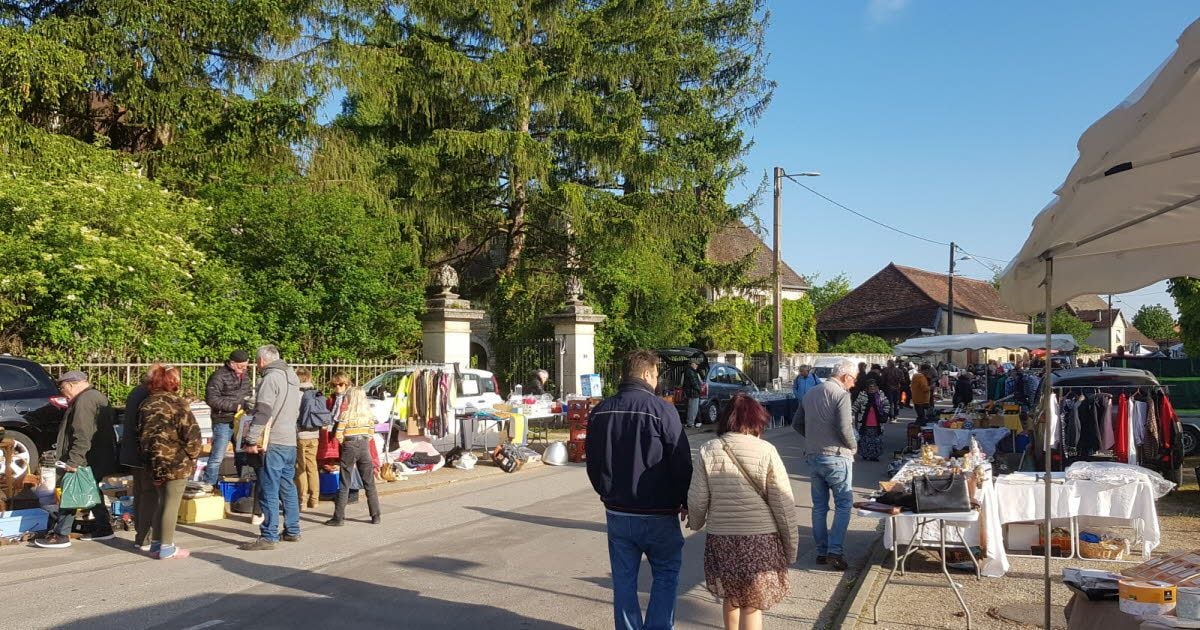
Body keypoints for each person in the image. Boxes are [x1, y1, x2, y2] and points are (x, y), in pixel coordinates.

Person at [586, 349, 692, 630]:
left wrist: (605, 492)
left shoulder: (601, 411)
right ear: (646, 374)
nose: (657, 382)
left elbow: (592, 462)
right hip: (658, 511)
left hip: (619, 511)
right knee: (666, 575)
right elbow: (681, 461)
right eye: (656, 375)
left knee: (623, 581)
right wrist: (684, 500)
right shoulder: (663, 411)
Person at [687, 394, 798, 630]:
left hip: (722, 538)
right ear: (757, 419)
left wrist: (695, 523)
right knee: (752, 605)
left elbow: (697, 498)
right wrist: (791, 546)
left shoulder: (708, 449)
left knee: (731, 597)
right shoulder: (766, 450)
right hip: (761, 538)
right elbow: (783, 503)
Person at [35, 371, 118, 549]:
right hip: (96, 455)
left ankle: (61, 535)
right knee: (90, 489)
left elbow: (82, 434)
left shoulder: (84, 400)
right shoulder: (96, 396)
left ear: (72, 384)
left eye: (63, 387)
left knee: (71, 490)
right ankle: (104, 529)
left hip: (86, 456)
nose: (63, 392)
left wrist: (74, 460)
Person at [793, 358, 857, 571]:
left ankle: (822, 551)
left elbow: (797, 423)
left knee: (819, 506)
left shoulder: (810, 392)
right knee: (843, 504)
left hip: (814, 455)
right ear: (845, 376)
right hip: (837, 455)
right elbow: (844, 427)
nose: (854, 384)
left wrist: (812, 438)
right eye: (853, 379)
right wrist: (853, 446)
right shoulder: (841, 395)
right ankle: (835, 551)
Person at [239, 345, 302, 551]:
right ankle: (292, 529)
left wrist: (251, 439)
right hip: (290, 440)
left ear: (262, 361)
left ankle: (269, 535)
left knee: (269, 488)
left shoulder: (270, 378)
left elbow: (263, 412)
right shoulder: (293, 378)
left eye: (257, 362)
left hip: (272, 441)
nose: (257, 365)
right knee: (288, 485)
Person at [139, 365, 202, 559]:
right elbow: (192, 435)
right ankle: (167, 546)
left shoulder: (146, 404)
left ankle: (156, 543)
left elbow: (141, 434)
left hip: (153, 460)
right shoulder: (178, 403)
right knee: (171, 504)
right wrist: (192, 456)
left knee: (161, 502)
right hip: (176, 460)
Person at [325, 387, 382, 526]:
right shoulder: (368, 415)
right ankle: (376, 516)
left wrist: (345, 443)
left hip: (349, 445)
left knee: (345, 482)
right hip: (363, 445)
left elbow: (338, 435)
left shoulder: (345, 415)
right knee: (369, 483)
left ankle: (338, 518)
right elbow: (370, 434)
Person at [119, 364, 160, 550]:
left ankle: (141, 536)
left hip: (134, 452)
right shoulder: (148, 396)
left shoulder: (137, 391)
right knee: (148, 495)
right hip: (144, 453)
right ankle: (145, 537)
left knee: (141, 494)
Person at [203, 350, 252, 489]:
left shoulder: (245, 376)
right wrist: (233, 406)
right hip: (223, 420)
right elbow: (211, 398)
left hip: (241, 420)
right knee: (217, 456)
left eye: (245, 366)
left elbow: (247, 394)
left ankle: (244, 485)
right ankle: (209, 485)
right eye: (240, 366)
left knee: (242, 454)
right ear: (231, 363)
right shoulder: (218, 376)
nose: (243, 369)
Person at [295, 368, 329, 511]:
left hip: (300, 435)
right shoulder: (317, 393)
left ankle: (302, 500)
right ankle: (315, 499)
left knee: (300, 468)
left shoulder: (296, 394)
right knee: (312, 467)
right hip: (314, 434)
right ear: (309, 378)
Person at [853, 381, 892, 461]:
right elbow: (855, 406)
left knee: (876, 440)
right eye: (870, 387)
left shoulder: (881, 396)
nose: (872, 388)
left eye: (874, 387)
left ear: (877, 387)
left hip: (877, 423)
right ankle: (865, 454)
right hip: (865, 422)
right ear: (867, 388)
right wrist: (851, 414)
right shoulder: (862, 396)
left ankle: (874, 456)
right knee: (865, 439)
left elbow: (887, 404)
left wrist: (885, 413)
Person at [684, 359, 705, 428]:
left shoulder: (689, 371)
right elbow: (694, 383)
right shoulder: (691, 372)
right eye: (696, 364)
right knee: (693, 409)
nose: (697, 366)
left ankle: (689, 422)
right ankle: (691, 423)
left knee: (691, 408)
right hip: (694, 393)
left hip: (691, 393)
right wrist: (700, 390)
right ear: (692, 364)